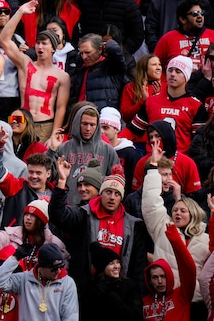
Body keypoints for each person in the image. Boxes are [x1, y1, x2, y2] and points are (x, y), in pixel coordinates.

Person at [49, 163, 148, 297]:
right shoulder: (84, 215)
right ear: (101, 193)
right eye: (108, 192)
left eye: (117, 194)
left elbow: (138, 267)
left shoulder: (133, 225)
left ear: (122, 198)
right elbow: (58, 216)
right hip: (87, 291)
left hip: (119, 293)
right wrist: (61, 181)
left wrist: (136, 299)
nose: (112, 197)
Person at [142, 156, 209, 307]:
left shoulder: (206, 240)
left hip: (195, 304)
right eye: (175, 210)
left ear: (193, 214)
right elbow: (151, 204)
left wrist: (196, 295)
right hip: (167, 301)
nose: (177, 213)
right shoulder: (163, 228)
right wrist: (153, 167)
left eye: (183, 211)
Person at [0, 1, 70, 142]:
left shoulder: (62, 76)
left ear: (53, 49)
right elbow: (4, 39)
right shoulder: (25, 64)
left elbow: (61, 108)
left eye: (44, 43)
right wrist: (20, 12)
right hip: (21, 120)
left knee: (40, 162)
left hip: (45, 123)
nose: (40, 46)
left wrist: (54, 135)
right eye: (38, 42)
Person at [125, 56, 208, 155]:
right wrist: (113, 141)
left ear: (186, 76)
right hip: (152, 160)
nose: (172, 74)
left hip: (180, 162)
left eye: (178, 71)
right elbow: (132, 130)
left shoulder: (196, 106)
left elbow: (198, 142)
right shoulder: (151, 101)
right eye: (170, 70)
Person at [47, 104, 119, 205]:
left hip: (97, 208)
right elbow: (48, 175)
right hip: (68, 207)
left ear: (97, 126)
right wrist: (51, 151)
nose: (88, 128)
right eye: (84, 124)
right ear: (77, 123)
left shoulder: (108, 150)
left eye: (92, 125)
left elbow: (116, 183)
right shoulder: (64, 148)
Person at [0, 242, 78, 321]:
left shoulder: (67, 283)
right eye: (54, 268)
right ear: (41, 266)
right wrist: (15, 258)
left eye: (61, 266)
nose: (58, 271)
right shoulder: (24, 280)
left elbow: (70, 317)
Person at [142, 223, 196, 321]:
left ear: (169, 276)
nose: (160, 281)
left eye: (163, 276)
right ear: (149, 280)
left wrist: (175, 240)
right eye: (155, 277)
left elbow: (189, 269)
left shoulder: (182, 295)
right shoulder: (144, 301)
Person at [69, 33, 127, 110]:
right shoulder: (80, 68)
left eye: (87, 52)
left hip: (102, 117)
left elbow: (114, 49)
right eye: (81, 53)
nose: (84, 57)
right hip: (80, 115)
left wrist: (107, 42)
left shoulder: (112, 67)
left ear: (99, 49)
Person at [155, 0, 214, 72]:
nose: (199, 16)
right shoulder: (168, 39)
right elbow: (155, 66)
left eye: (201, 13)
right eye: (195, 14)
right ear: (183, 19)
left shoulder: (212, 35)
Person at [120, 54, 162, 129]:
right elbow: (125, 116)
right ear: (144, 68)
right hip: (137, 135)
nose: (158, 68)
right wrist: (143, 101)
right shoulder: (130, 88)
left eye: (159, 64)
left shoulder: (166, 87)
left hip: (158, 134)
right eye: (154, 65)